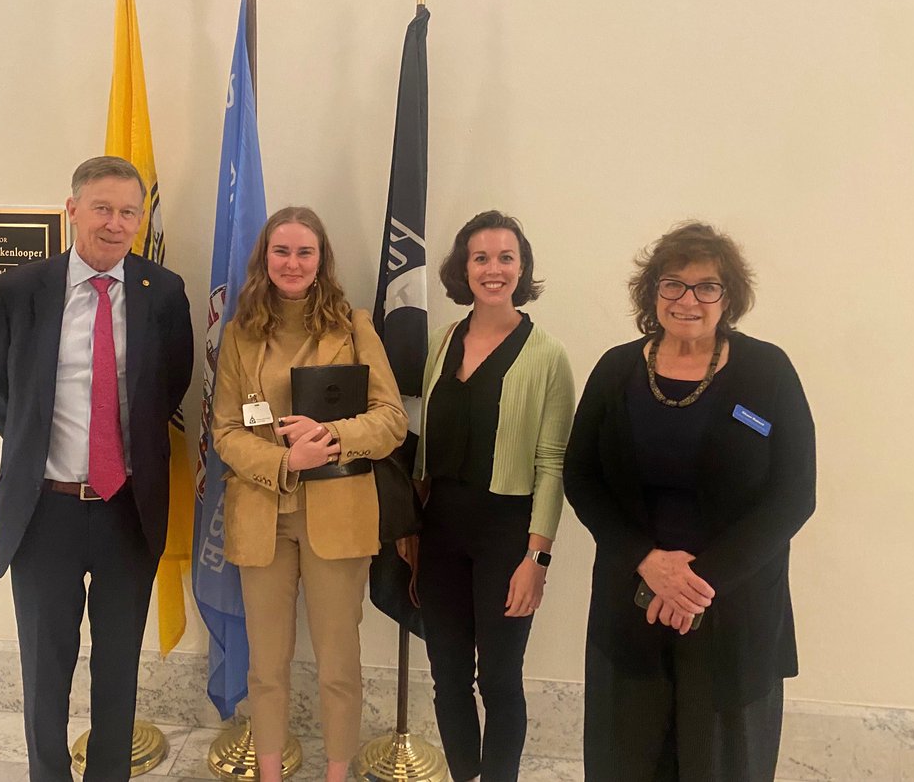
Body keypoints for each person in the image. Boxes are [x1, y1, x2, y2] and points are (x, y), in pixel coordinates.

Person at [563, 221, 816, 782]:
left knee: (722, 763)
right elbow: (581, 477)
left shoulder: (768, 371)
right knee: (626, 755)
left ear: (729, 298)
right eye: (673, 284)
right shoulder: (616, 369)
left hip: (734, 608)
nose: (688, 300)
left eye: (707, 287)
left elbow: (794, 496)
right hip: (632, 598)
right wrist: (649, 563)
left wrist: (698, 583)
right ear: (652, 292)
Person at [0, 156, 193, 782]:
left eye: (129, 211)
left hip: (128, 508)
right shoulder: (19, 292)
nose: (116, 223)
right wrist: (39, 451)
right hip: (45, 510)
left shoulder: (164, 292)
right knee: (46, 667)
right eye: (103, 208)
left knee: (119, 664)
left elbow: (169, 385)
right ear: (71, 208)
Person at [211, 206, 407, 782]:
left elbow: (392, 420)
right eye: (281, 251)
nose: (292, 263)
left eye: (304, 252)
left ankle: (336, 775)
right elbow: (223, 430)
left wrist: (331, 437)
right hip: (261, 515)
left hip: (338, 518)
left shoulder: (352, 326)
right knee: (266, 668)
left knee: (337, 667)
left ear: (321, 259)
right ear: (264, 258)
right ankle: (270, 773)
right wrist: (282, 461)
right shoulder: (240, 332)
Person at [409, 210, 576, 782]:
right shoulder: (441, 342)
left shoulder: (548, 355)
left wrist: (538, 558)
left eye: (506, 257)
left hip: (508, 535)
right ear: (464, 268)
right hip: (441, 531)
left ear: (522, 267)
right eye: (481, 257)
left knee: (499, 679)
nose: (494, 268)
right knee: (448, 675)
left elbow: (554, 464)